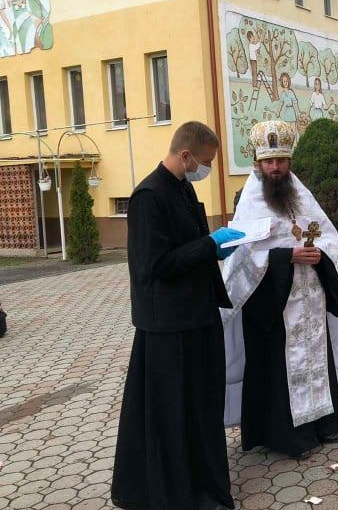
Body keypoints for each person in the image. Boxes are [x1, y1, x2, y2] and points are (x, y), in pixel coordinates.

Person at [112, 121, 245, 510]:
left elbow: (189, 245)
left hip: (198, 314)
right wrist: (209, 245)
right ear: (185, 155)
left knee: (200, 406)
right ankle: (177, 495)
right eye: (204, 162)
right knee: (172, 412)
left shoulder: (184, 188)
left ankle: (205, 486)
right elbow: (154, 265)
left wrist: (216, 247)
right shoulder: (148, 197)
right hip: (167, 325)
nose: (205, 170)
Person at [222, 120, 338, 460]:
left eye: (281, 160)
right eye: (268, 161)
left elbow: (327, 235)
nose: (275, 168)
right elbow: (243, 257)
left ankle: (323, 423)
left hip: (309, 297)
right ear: (257, 162)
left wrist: (320, 255)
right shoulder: (250, 201)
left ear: (289, 161)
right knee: (282, 365)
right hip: (274, 303)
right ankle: (289, 436)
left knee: (316, 354)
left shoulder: (299, 193)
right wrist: (288, 256)